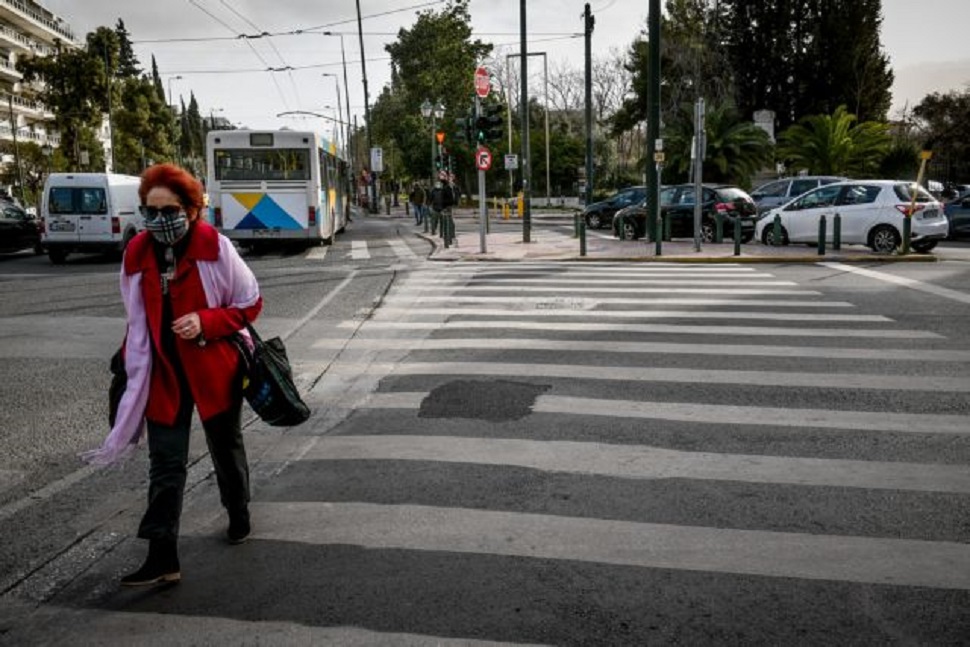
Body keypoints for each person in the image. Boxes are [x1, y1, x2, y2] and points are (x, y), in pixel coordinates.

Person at [82, 163, 263, 587]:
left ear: (192, 210)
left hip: (213, 369)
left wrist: (206, 321)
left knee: (225, 448)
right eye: (150, 211)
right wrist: (130, 364)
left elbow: (250, 303)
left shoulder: (214, 247)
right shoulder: (137, 252)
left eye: (169, 211)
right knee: (166, 464)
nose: (159, 220)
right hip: (160, 372)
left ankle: (238, 512)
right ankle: (162, 555)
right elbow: (135, 318)